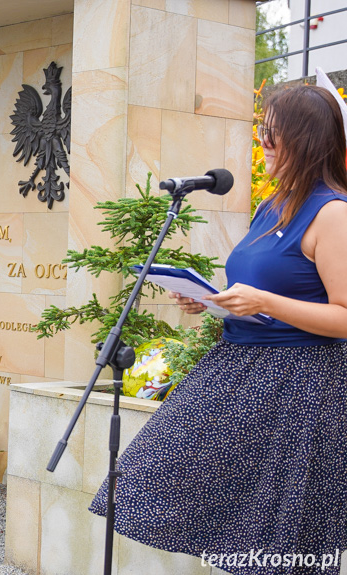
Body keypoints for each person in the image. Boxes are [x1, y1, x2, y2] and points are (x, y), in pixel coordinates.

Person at [90, 84, 347, 574]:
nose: (263, 143)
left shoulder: (333, 212)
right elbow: (258, 289)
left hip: (301, 385)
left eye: (272, 134)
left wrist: (264, 300)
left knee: (285, 535)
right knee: (153, 476)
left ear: (307, 138)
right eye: (262, 133)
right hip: (237, 372)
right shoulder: (271, 208)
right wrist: (211, 302)